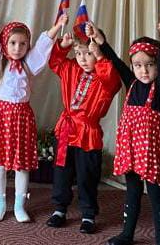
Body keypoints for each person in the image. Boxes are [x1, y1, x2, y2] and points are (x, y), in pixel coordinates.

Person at [88, 18, 160, 245]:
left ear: (157, 65)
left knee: (155, 195)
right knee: (132, 192)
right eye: (138, 65)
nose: (144, 70)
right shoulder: (131, 83)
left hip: (151, 153)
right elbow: (115, 61)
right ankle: (127, 234)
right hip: (130, 149)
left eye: (150, 64)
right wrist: (100, 40)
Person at [0, 10, 68, 222]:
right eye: (13, 43)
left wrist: (58, 26)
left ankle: (20, 205)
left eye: (22, 44)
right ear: (5, 44)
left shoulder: (30, 63)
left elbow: (43, 45)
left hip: (22, 117)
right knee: (0, 163)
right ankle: (0, 203)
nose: (17, 48)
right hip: (2, 117)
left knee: (22, 164)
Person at [46, 25, 122, 234]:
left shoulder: (105, 76)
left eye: (88, 54)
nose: (82, 59)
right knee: (61, 171)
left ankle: (88, 214)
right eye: (78, 53)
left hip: (88, 133)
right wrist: (63, 46)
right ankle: (59, 209)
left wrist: (100, 55)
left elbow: (113, 81)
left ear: (98, 53)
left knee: (87, 175)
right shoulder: (70, 68)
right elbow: (55, 62)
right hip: (66, 128)